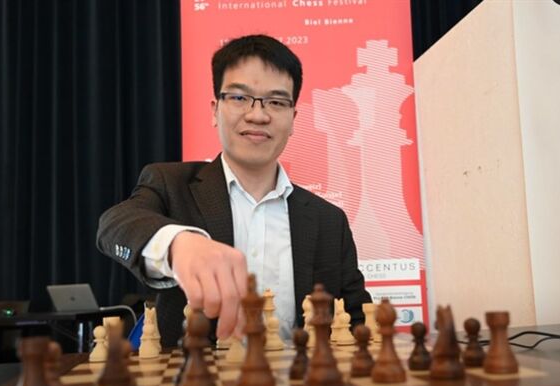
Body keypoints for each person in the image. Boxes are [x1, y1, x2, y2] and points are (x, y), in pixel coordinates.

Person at [96, 34, 371, 347]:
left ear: (293, 118)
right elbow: (114, 225)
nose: (258, 115)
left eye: (276, 102)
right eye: (240, 98)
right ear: (215, 110)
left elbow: (357, 322)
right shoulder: (170, 184)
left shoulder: (329, 221)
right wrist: (178, 244)